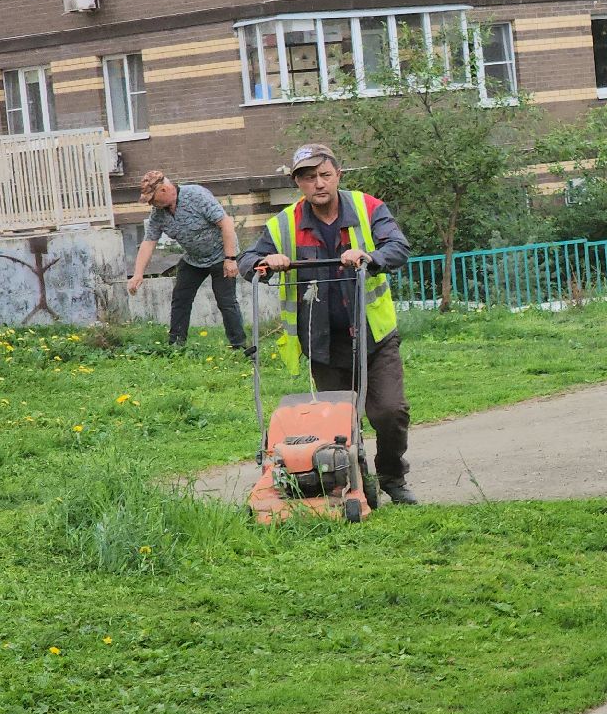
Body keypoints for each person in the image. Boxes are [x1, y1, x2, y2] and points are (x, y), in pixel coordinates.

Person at [238, 144, 418, 504]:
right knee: (337, 425)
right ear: (298, 183)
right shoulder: (284, 223)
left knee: (389, 412)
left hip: (374, 337)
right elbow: (246, 261)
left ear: (338, 175)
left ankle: (391, 476)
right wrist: (266, 261)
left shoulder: (368, 208)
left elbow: (398, 246)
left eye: (324, 175)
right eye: (308, 177)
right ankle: (352, 483)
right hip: (322, 343)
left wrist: (370, 256)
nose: (318, 183)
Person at [127, 171, 248, 351]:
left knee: (226, 301)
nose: (152, 204)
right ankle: (176, 346)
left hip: (221, 255)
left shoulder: (196, 195)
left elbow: (227, 224)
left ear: (164, 190)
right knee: (180, 298)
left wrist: (230, 259)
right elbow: (148, 242)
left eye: (153, 199)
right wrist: (138, 274)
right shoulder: (158, 214)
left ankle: (240, 347)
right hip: (194, 259)